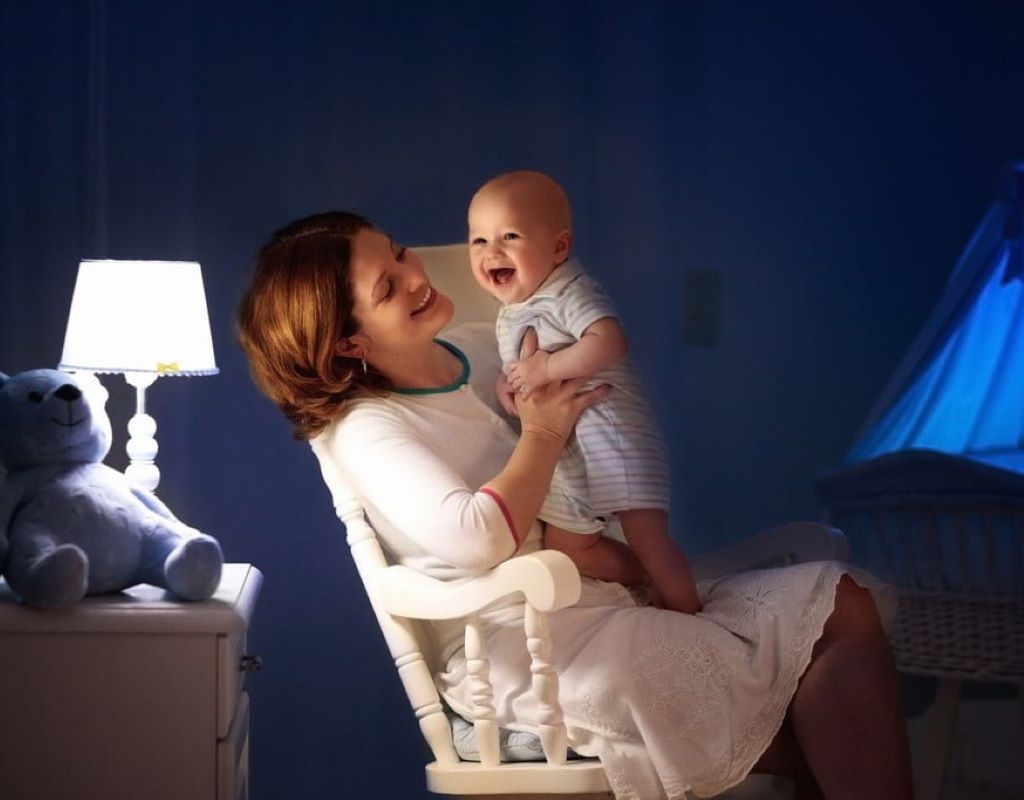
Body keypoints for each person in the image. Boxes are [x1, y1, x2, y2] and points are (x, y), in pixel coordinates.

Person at [236, 210, 914, 800]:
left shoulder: (476, 346)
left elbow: (600, 421)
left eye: (401, 253)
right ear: (349, 342)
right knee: (822, 724)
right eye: (388, 285)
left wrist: (637, 549)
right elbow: (477, 539)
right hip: (520, 640)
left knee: (840, 600)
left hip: (601, 589)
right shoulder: (368, 426)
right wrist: (542, 433)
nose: (416, 276)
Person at [468, 170, 700, 614]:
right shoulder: (513, 309)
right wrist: (511, 383)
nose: (491, 251)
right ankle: (651, 585)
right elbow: (526, 367)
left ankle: (692, 616)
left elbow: (609, 340)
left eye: (510, 236)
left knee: (649, 538)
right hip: (569, 455)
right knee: (568, 547)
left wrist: (547, 368)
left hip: (615, 441)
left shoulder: (568, 291)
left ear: (558, 247)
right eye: (479, 240)